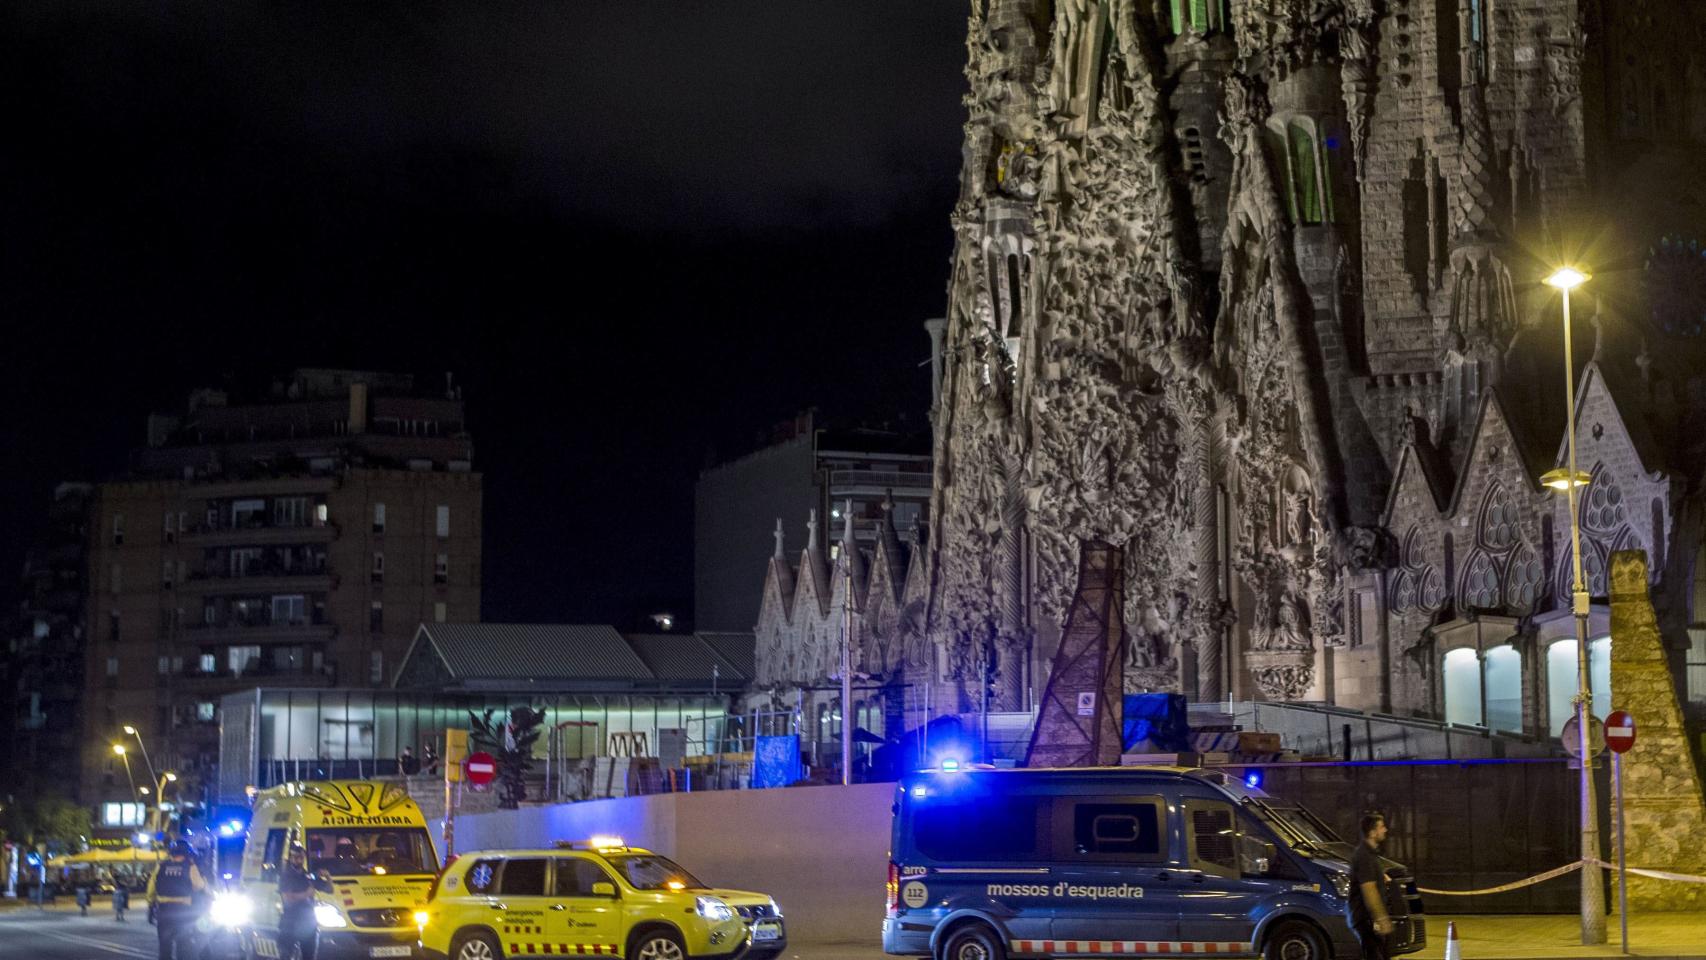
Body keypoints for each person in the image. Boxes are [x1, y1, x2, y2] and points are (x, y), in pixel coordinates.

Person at [146, 841, 206, 959]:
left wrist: (150, 902)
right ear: (186, 853)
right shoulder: (190, 866)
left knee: (164, 948)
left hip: (164, 911)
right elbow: (199, 885)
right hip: (183, 912)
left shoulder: (161, 866)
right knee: (183, 947)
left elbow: (151, 888)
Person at [1349, 812, 1394, 960]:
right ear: (1373, 832)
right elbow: (1369, 890)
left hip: (1369, 920)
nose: (1385, 830)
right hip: (1365, 920)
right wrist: (1381, 918)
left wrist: (1381, 877)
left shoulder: (1370, 854)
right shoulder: (1364, 856)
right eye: (1381, 827)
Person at [277, 845, 319, 960]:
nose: (298, 860)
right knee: (286, 955)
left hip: (308, 923)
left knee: (309, 956)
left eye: (300, 857)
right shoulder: (286, 876)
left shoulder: (307, 875)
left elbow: (329, 889)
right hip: (290, 922)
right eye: (295, 857)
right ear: (290, 858)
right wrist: (306, 894)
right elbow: (287, 898)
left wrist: (328, 877)